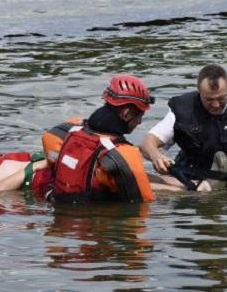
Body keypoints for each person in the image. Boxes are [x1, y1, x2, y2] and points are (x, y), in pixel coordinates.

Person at [140, 64, 227, 190]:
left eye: (221, 98)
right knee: (141, 180)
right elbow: (148, 143)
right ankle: (202, 188)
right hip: (187, 178)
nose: (215, 105)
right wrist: (156, 156)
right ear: (198, 89)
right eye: (209, 99)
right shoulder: (182, 108)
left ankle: (211, 186)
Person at [46, 74, 156, 203]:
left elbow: (47, 140)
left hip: (58, 208)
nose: (140, 122)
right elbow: (144, 202)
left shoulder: (67, 130)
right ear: (126, 114)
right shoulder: (124, 154)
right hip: (93, 219)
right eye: (139, 116)